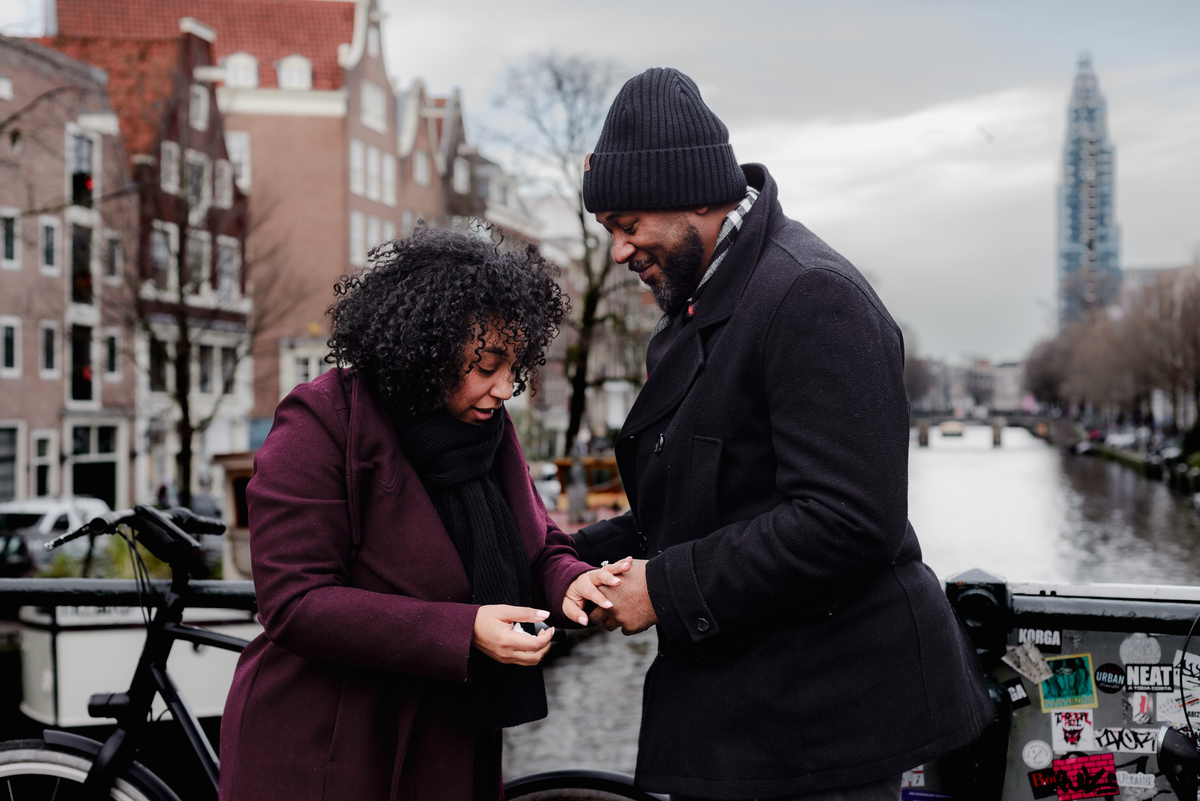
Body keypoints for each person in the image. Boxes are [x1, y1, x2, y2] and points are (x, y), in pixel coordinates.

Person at [571, 68, 995, 800]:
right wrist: (563, 554)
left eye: (627, 224)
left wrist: (664, 591)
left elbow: (849, 519)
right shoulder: (696, 308)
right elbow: (710, 500)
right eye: (609, 230)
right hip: (753, 722)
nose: (618, 251)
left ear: (697, 193)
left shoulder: (811, 295)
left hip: (825, 727)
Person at [219, 228, 628, 801]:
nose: (506, 387)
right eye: (487, 365)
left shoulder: (486, 427)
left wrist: (569, 581)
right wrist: (461, 631)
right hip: (329, 750)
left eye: (515, 366)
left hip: (448, 742)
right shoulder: (321, 422)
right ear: (427, 347)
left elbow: (537, 541)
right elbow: (293, 601)